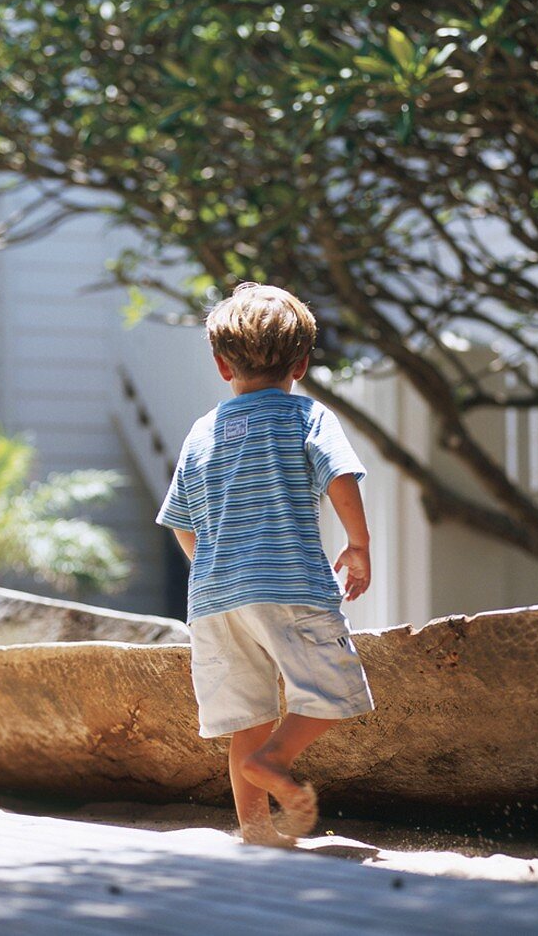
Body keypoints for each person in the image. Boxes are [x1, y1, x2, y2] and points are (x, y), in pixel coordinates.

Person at [157, 283, 375, 847]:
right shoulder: (307, 415)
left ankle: (256, 829)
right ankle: (275, 760)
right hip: (290, 584)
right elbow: (340, 477)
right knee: (334, 691)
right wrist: (358, 544)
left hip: (212, 598)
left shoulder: (202, 432)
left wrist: (212, 567)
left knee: (244, 719)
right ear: (301, 364)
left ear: (220, 363)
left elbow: (182, 519)